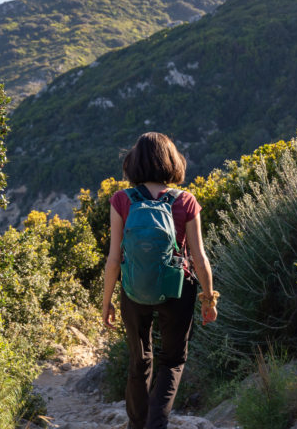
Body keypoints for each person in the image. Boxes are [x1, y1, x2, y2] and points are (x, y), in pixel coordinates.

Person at [101, 132, 218, 429]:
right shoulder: (186, 201)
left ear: (134, 162)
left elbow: (114, 259)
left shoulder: (121, 200)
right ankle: (156, 425)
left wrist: (107, 303)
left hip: (133, 288)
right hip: (178, 288)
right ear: (172, 161)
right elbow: (200, 257)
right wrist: (208, 297)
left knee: (139, 360)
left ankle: (136, 425)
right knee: (173, 361)